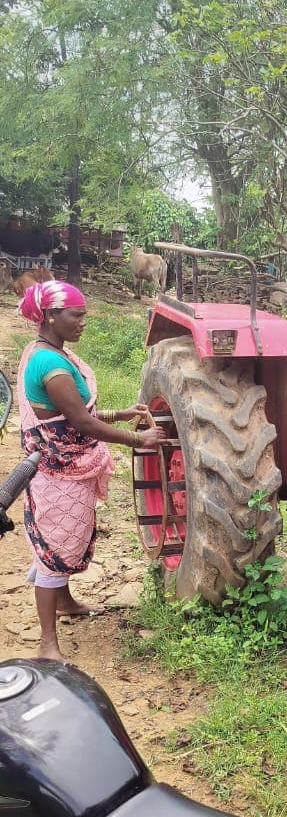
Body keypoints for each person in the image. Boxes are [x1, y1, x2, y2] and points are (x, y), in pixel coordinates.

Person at [17, 279, 166, 661]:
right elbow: (81, 424)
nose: (84, 321)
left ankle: (64, 601)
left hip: (66, 469)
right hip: (56, 472)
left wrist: (120, 414)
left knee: (64, 540)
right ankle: (48, 643)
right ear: (51, 316)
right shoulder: (48, 362)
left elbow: (67, 415)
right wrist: (138, 439)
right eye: (76, 315)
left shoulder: (51, 352)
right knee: (55, 546)